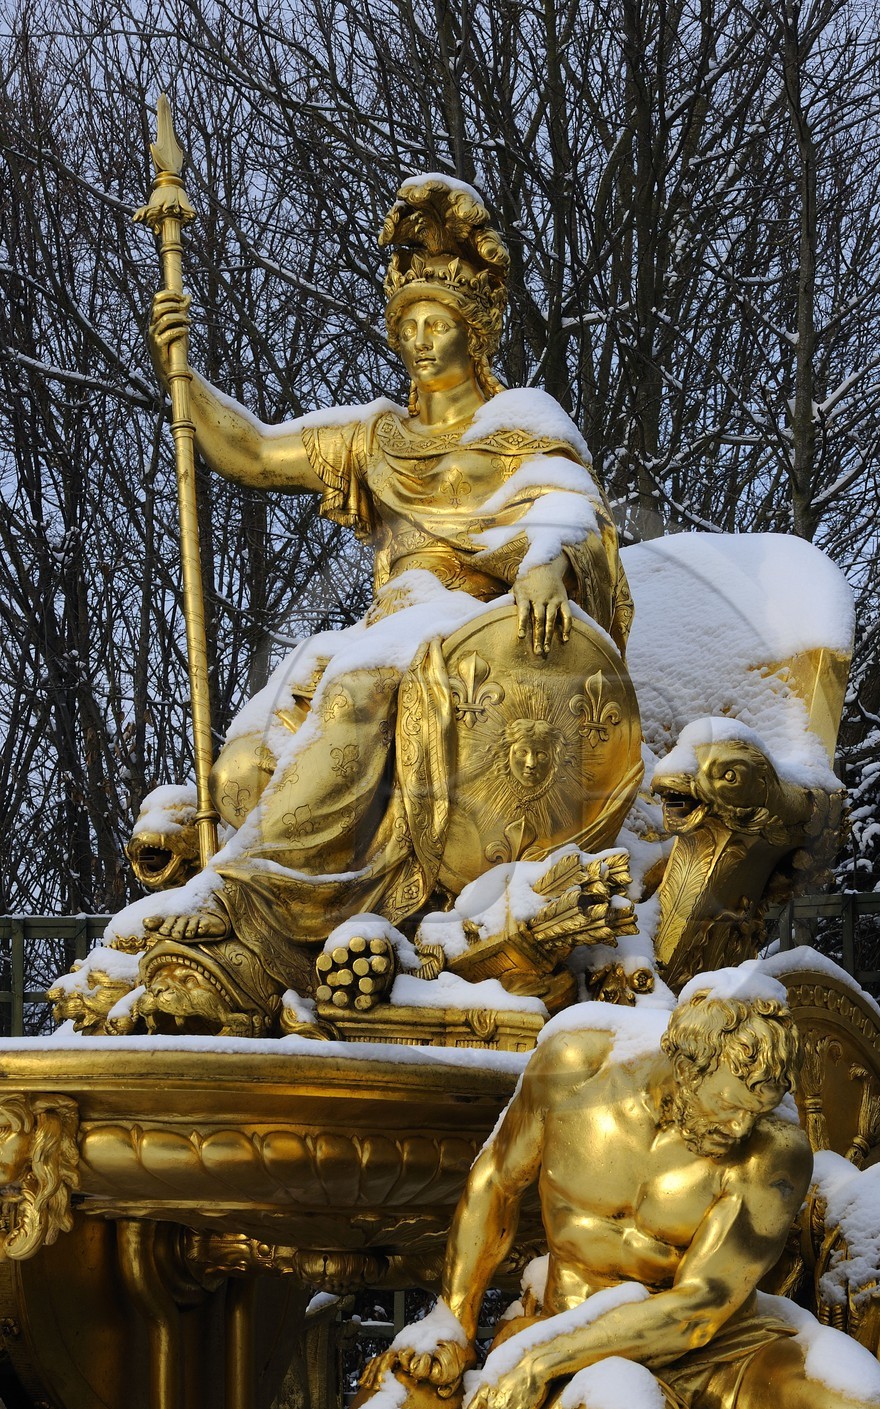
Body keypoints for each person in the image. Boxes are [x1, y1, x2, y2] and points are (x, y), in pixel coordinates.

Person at [140, 175, 636, 1031]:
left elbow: (573, 510)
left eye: (436, 323)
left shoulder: (521, 424)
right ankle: (290, 944)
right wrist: (181, 371)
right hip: (388, 628)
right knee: (240, 763)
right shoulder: (377, 437)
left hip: (468, 634)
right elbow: (252, 451)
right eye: (406, 325)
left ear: (474, 329)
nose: (418, 340)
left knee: (361, 691)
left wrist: (550, 563)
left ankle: (243, 905)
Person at [378, 974, 880, 1409]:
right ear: (686, 1061)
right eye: (729, 1103)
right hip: (587, 1350)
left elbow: (699, 1308)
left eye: (757, 1110)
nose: (740, 1127)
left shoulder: (773, 1149)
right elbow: (495, 1179)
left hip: (714, 1343)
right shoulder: (574, 1065)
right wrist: (454, 1319)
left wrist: (538, 1363)